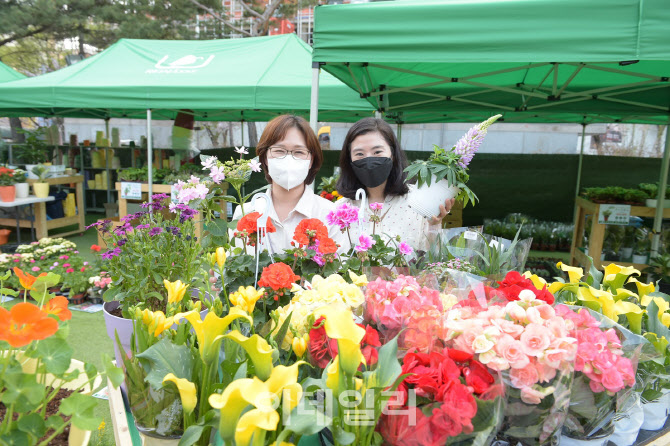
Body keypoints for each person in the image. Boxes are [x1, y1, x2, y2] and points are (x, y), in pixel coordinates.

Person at [233, 114, 348, 254]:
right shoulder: (245, 212)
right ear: (265, 158)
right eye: (279, 151)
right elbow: (235, 267)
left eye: (299, 152)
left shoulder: (330, 214)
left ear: (311, 160)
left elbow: (340, 271)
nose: (288, 158)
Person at [336, 117, 454, 252]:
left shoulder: (419, 202)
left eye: (377, 152)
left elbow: (433, 259)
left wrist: (434, 225)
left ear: (392, 154)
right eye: (359, 154)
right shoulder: (341, 211)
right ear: (349, 159)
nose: (369, 159)